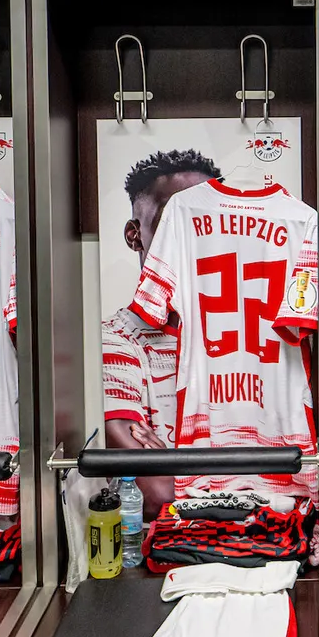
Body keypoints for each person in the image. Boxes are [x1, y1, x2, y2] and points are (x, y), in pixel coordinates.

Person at [104, 149, 222, 520]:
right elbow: (156, 492)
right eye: (172, 221)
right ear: (134, 235)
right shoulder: (112, 341)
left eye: (205, 222)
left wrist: (171, 461)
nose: (191, 238)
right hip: (159, 560)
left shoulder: (253, 341)